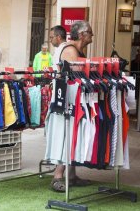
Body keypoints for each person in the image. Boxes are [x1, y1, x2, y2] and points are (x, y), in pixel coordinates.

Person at [50, 20, 94, 193]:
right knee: (67, 135)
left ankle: (72, 175)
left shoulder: (74, 49)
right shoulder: (70, 50)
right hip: (67, 99)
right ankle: (57, 176)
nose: (92, 35)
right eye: (89, 32)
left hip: (71, 98)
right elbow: (76, 76)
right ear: (82, 34)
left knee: (73, 135)